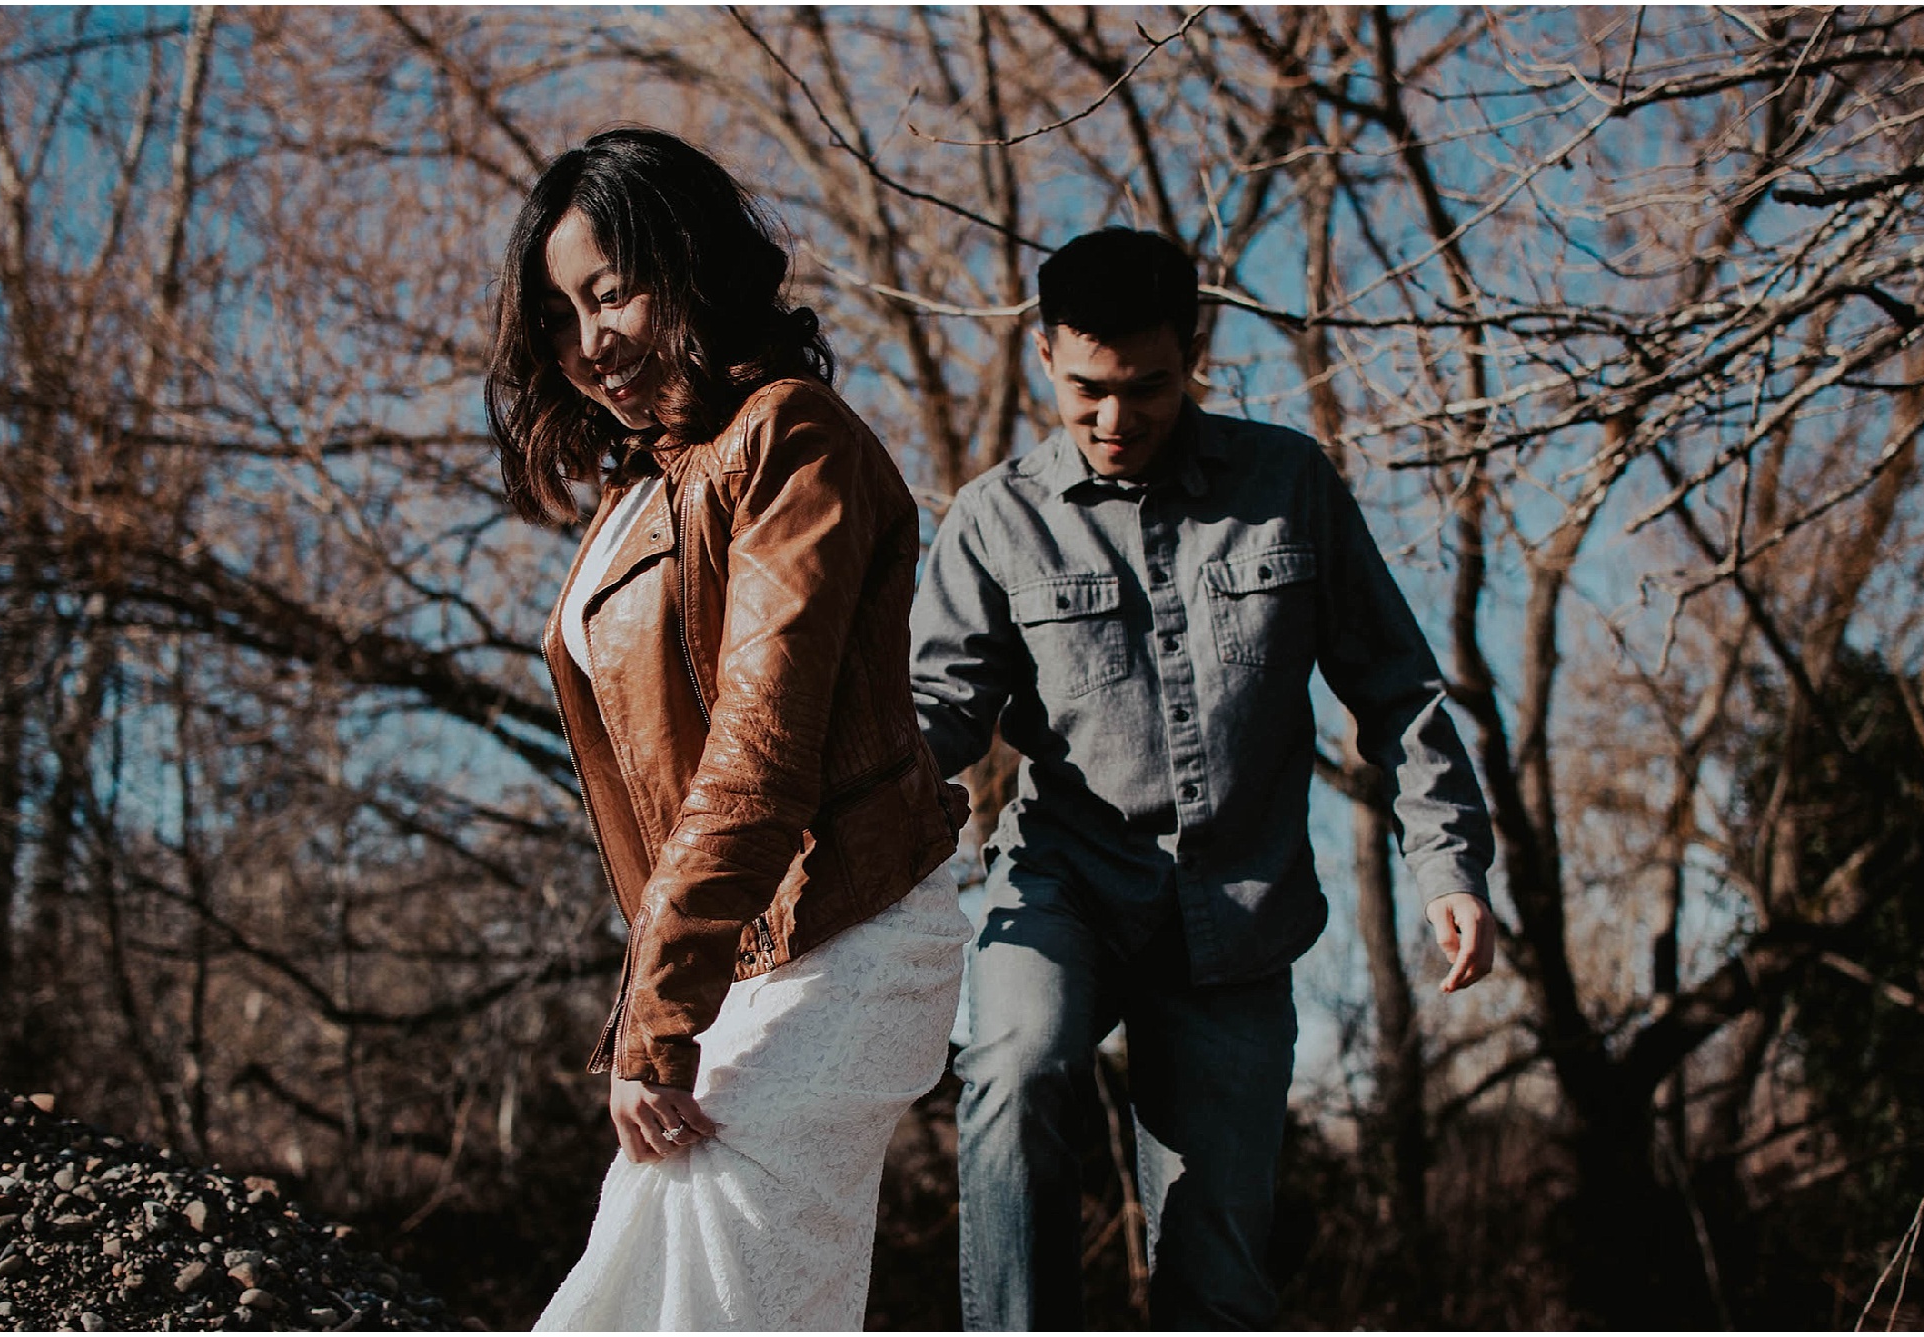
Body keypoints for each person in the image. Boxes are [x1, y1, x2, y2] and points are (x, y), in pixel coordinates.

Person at [909, 228, 1499, 1329]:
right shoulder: (994, 518)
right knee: (1017, 1060)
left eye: (1147, 387)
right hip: (1064, 884)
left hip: (1236, 911)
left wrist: (1447, 863)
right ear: (1044, 356)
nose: (1114, 419)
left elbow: (1397, 686)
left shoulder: (1287, 486)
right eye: (1086, 390)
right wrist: (817, 825)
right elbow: (934, 717)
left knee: (1216, 1276)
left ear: (1193, 354)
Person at [487, 126, 972, 1331]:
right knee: (644, 1276)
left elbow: (754, 758)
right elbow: (653, 798)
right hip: (738, 959)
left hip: (852, 933)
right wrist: (654, 1002)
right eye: (558, 315)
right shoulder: (635, 489)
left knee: (711, 1274)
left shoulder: (787, 438)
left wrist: (656, 1022)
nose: (589, 343)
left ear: (695, 268)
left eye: (614, 292)